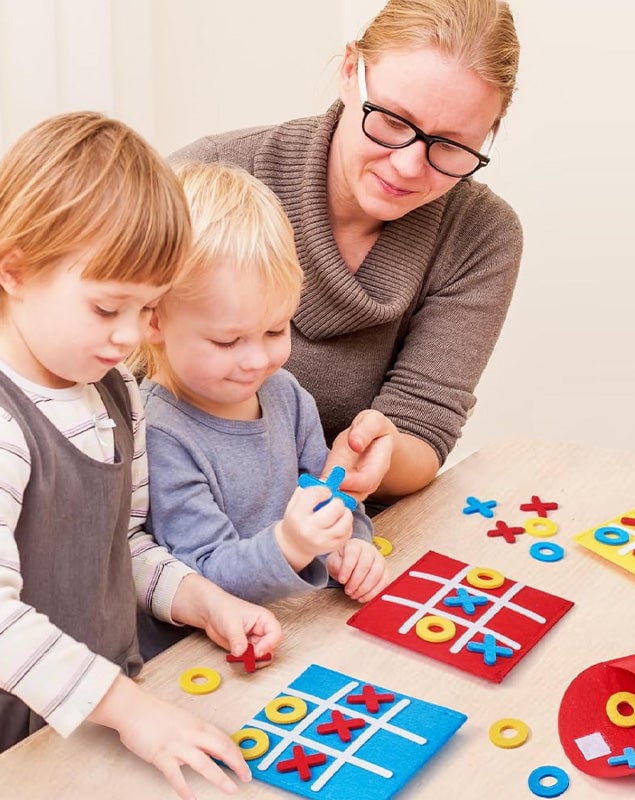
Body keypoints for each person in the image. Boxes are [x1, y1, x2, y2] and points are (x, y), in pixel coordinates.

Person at [0, 112, 282, 800]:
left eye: (148, 308)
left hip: (94, 726)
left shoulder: (116, 390)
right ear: (15, 270)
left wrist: (200, 600)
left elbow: (119, 546)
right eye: (107, 308)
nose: (130, 334)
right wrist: (132, 714)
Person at [170, 0, 522, 506]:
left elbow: (424, 425)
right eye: (394, 120)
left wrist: (381, 453)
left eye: (451, 146)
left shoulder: (480, 234)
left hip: (346, 530)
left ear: (490, 133)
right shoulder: (204, 177)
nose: (407, 167)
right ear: (349, 71)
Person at [133, 161, 390, 625]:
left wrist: (352, 545)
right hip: (211, 650)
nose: (257, 360)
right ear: (154, 321)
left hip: (303, 620)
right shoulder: (158, 433)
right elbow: (202, 574)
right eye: (228, 341)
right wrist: (292, 545)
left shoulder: (286, 394)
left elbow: (332, 494)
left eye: (275, 329)